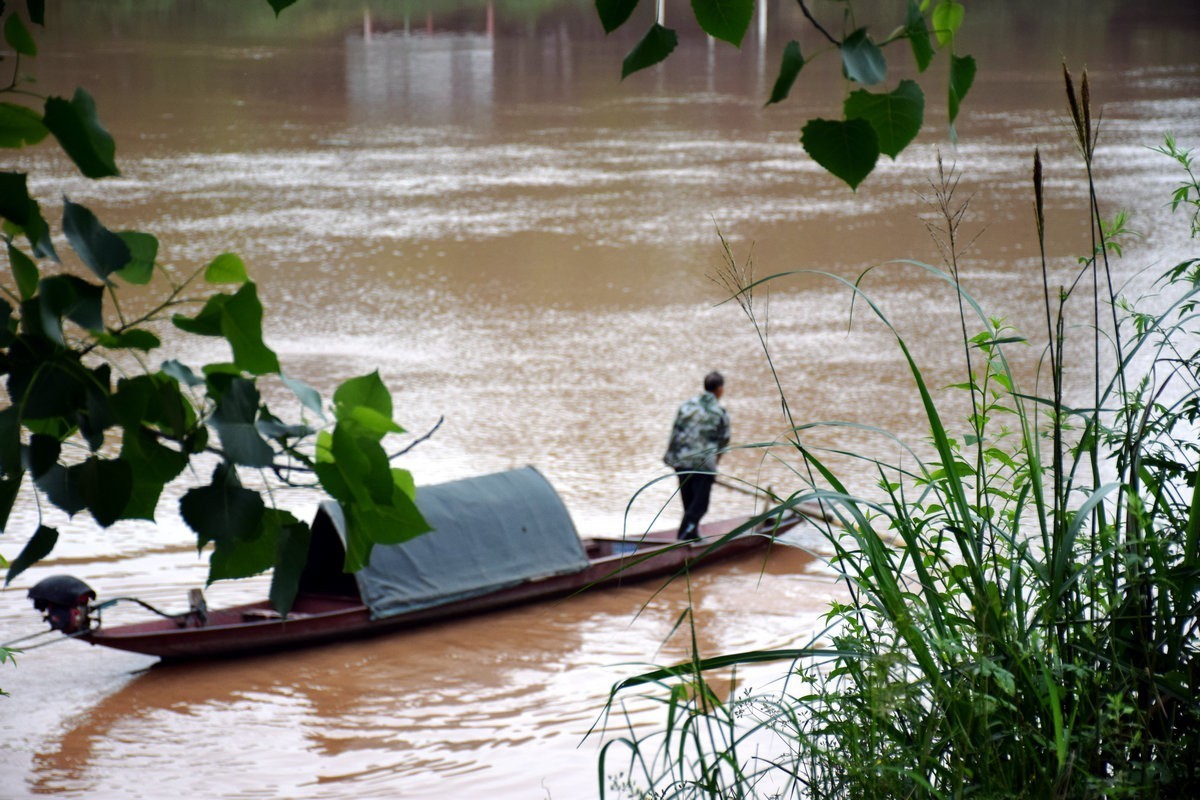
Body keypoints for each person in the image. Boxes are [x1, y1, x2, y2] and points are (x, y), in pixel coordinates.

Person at [663, 371, 730, 540]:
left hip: (682, 460)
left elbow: (675, 432)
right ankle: (683, 537)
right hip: (703, 464)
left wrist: (671, 460)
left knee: (689, 504)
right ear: (720, 389)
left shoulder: (686, 406)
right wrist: (714, 465)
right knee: (699, 506)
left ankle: (692, 534)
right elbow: (723, 441)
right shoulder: (720, 412)